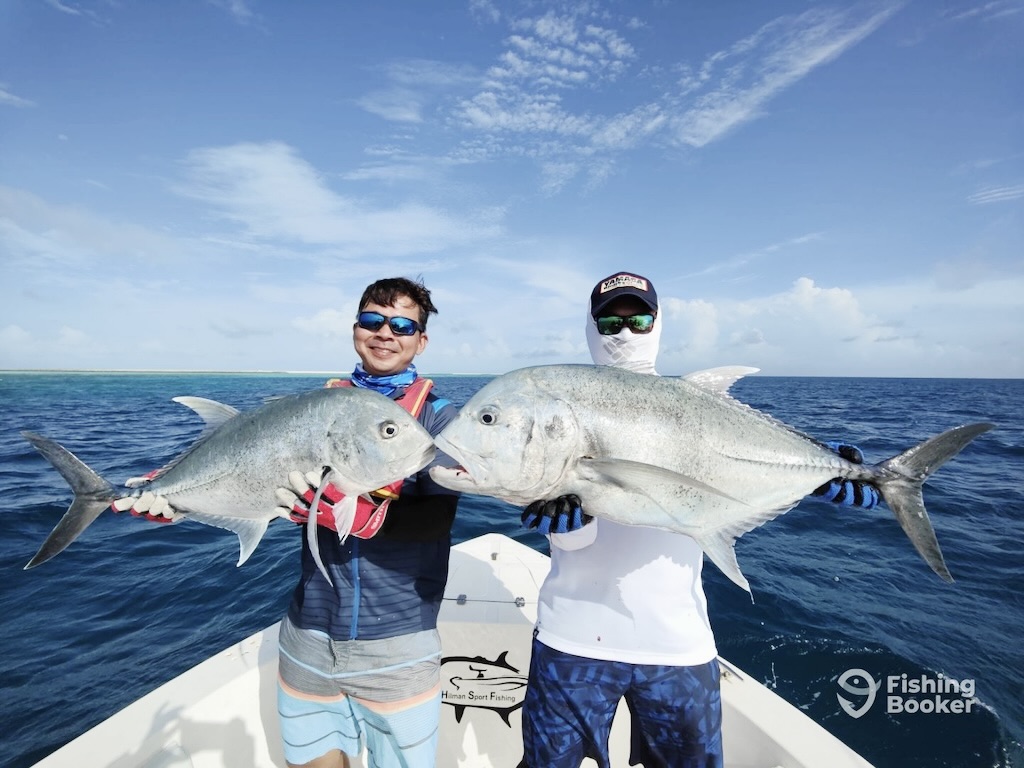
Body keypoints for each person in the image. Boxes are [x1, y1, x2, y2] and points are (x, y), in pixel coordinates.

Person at [517, 272, 879, 768]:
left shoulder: (694, 403)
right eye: (610, 321)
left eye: (638, 319)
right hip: (571, 640)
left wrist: (818, 467)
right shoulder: (561, 407)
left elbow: (740, 463)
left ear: (658, 325)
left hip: (677, 646)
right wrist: (566, 524)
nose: (624, 333)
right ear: (590, 327)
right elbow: (577, 543)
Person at [114, 277, 461, 768]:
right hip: (306, 636)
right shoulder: (314, 409)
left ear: (420, 340)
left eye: (402, 324)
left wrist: (364, 515)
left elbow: (437, 519)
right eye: (372, 320)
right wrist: (175, 497)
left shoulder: (439, 420)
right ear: (355, 329)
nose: (385, 333)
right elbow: (250, 473)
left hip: (397, 644)